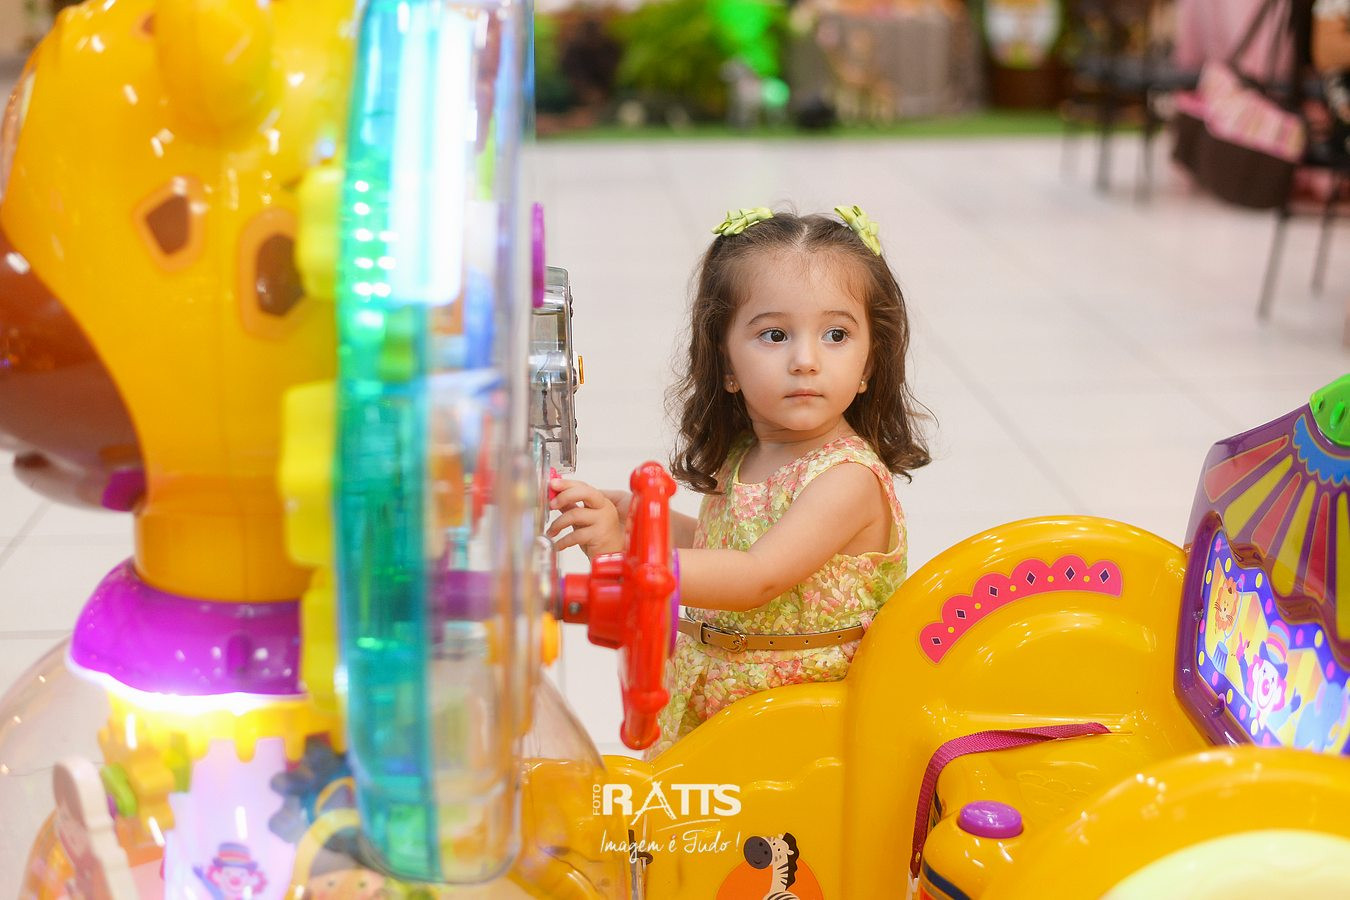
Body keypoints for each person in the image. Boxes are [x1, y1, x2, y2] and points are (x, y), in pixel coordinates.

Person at [547, 205, 930, 754]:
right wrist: (638, 525)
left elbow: (757, 576)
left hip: (798, 729)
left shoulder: (847, 479)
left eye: (836, 334)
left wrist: (635, 564)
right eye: (774, 334)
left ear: (869, 364)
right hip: (728, 703)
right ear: (725, 364)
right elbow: (726, 548)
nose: (805, 360)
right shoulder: (748, 452)